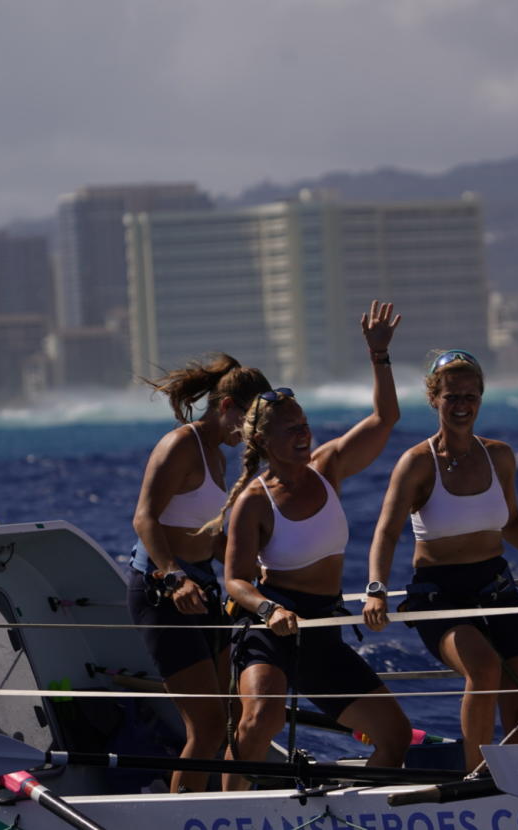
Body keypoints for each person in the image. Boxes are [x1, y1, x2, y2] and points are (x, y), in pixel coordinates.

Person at [362, 349, 518, 770]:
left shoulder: (499, 456)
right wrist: (376, 590)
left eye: (471, 396)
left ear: (481, 398)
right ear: (434, 399)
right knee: (483, 671)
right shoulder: (416, 464)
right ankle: (474, 779)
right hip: (440, 596)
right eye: (452, 397)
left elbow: (513, 521)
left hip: (496, 587)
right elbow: (386, 533)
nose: (462, 406)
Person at [219, 301, 408, 789]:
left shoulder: (328, 469)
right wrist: (267, 610)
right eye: (291, 429)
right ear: (263, 441)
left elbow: (386, 418)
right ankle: (231, 815)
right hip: (270, 627)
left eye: (304, 425)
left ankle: (359, 817)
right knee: (260, 722)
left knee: (396, 736)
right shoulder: (254, 502)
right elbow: (234, 579)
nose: (304, 435)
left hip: (322, 627)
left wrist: (379, 356)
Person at [128, 354, 273, 793]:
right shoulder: (180, 445)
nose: (251, 436)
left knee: (234, 719)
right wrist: (174, 576)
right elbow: (145, 519)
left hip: (204, 587)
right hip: (162, 589)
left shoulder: (218, 457)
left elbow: (211, 538)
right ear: (226, 406)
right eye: (249, 422)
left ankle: (232, 810)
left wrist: (256, 572)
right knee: (207, 728)